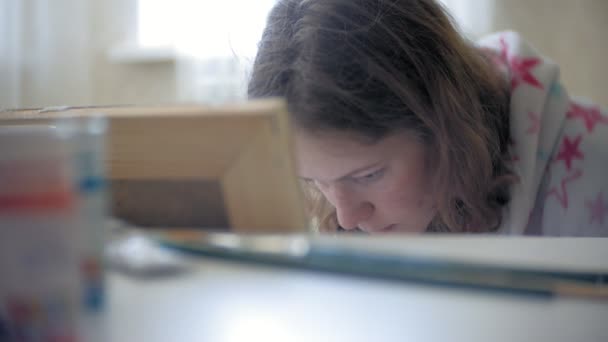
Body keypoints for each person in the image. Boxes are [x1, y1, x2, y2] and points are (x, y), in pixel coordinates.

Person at [247, 0, 608, 236]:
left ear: (445, 126)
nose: (347, 218)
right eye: (315, 181)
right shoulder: (357, 215)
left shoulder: (596, 167)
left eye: (369, 174)